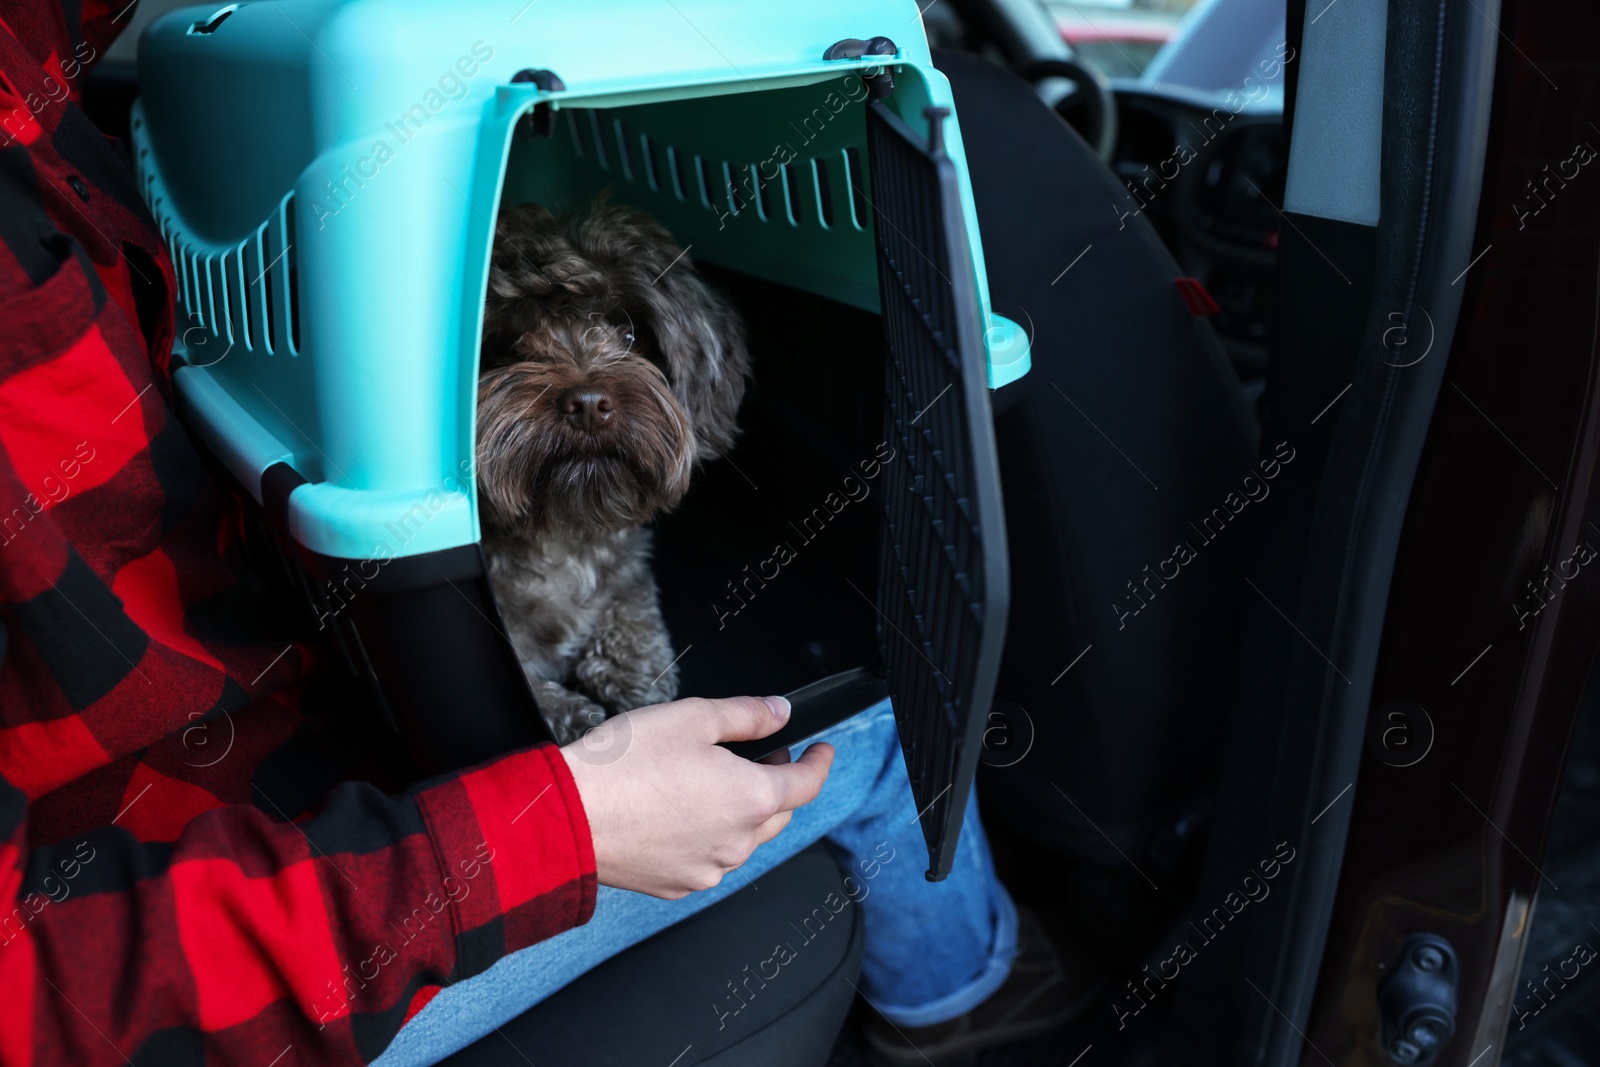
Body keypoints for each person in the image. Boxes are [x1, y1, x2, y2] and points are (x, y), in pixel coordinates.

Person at [0, 3, 1088, 1065]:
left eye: (618, 334)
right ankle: (959, 996)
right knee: (879, 723)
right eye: (517, 344)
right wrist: (558, 825)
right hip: (227, 909)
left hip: (277, 727)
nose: (583, 388)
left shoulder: (37, 87)